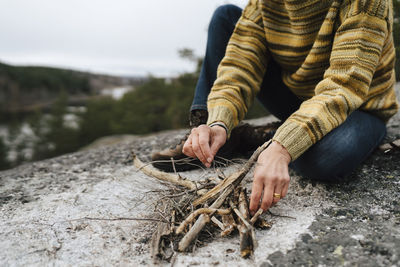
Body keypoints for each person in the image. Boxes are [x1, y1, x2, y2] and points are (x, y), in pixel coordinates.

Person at [153, 0, 399, 215]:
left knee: (328, 158)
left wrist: (283, 148)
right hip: (296, 97)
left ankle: (269, 136)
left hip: (357, 108)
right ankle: (211, 135)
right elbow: (239, 67)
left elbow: (344, 86)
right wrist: (219, 120)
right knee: (225, 16)